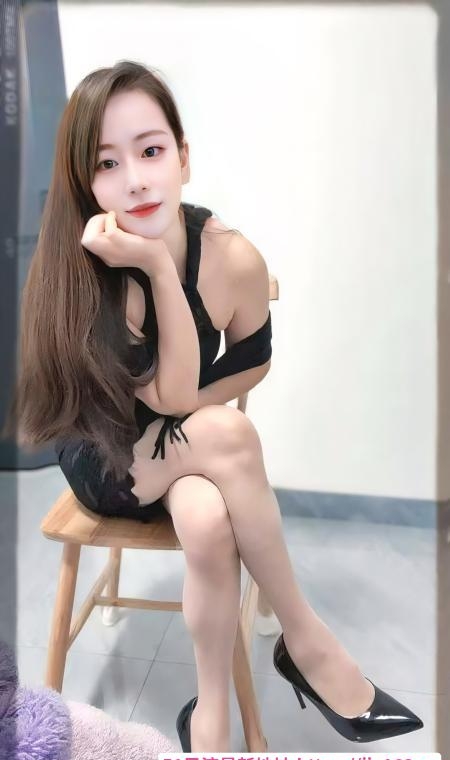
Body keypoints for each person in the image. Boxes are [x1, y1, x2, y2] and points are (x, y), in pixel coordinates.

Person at [4, 60, 423, 752]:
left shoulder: (234, 257)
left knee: (205, 515)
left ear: (183, 157)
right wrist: (157, 267)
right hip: (107, 455)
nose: (135, 179)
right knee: (228, 433)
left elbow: (252, 358)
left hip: (186, 447)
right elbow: (166, 397)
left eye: (150, 150)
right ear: (87, 185)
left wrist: (198, 414)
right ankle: (308, 644)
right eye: (107, 163)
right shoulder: (103, 273)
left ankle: (212, 724)